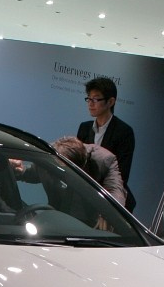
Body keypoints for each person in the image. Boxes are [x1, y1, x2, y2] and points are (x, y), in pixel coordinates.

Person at [75, 76, 136, 211]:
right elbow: (77, 162)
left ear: (111, 102)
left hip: (111, 199)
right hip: (85, 196)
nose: (90, 103)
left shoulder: (124, 132)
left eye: (96, 99)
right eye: (89, 99)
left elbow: (121, 174)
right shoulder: (84, 128)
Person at [51, 136, 126, 205]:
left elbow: (115, 191)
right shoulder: (52, 153)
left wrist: (109, 213)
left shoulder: (104, 160)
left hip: (95, 204)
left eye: (67, 168)